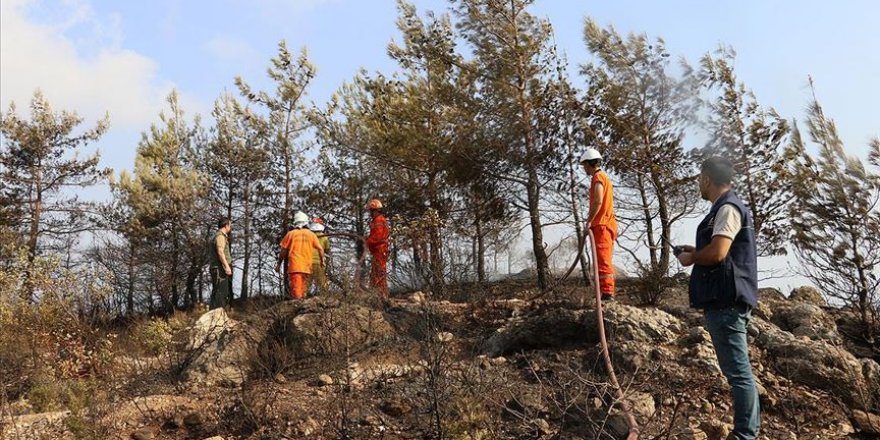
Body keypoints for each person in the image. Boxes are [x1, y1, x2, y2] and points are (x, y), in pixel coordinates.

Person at [676, 156, 760, 439]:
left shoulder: (727, 208)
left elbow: (718, 253)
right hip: (725, 300)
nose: (699, 184)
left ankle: (745, 435)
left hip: (726, 302)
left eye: (700, 178)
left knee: (738, 373)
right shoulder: (725, 209)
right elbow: (718, 248)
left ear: (707, 179)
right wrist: (695, 249)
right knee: (738, 372)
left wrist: (692, 258)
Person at [580, 148, 619, 301]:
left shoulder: (598, 178)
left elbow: (598, 201)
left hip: (602, 225)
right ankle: (604, 293)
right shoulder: (603, 177)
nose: (584, 168)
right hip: (605, 224)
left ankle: (607, 293)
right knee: (602, 259)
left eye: (584, 165)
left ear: (590, 164)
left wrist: (589, 220)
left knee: (603, 260)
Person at [276, 211, 325, 300]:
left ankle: (299, 309)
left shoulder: (290, 234)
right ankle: (303, 309)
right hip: (307, 267)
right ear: (306, 222)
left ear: (295, 222)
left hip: (295, 267)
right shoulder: (311, 235)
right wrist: (322, 261)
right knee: (303, 291)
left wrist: (278, 264)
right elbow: (321, 249)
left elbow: (283, 251)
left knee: (297, 294)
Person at [365, 199, 390, 297]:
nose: (370, 213)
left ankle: (380, 293)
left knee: (379, 272)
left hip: (380, 250)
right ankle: (376, 292)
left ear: (375, 210)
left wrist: (367, 241)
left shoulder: (379, 220)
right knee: (376, 272)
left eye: (371, 211)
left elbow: (378, 237)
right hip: (378, 250)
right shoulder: (377, 220)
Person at [208, 218, 233, 309]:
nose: (230, 227)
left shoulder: (217, 236)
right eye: (230, 225)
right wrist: (227, 267)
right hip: (219, 269)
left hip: (218, 268)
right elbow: (220, 252)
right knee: (221, 293)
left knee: (217, 293)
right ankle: (217, 318)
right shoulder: (220, 236)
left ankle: (213, 317)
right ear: (226, 226)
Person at [308, 217, 331, 295]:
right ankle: (325, 299)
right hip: (319, 263)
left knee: (306, 285)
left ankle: (301, 300)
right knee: (323, 284)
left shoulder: (308, 237)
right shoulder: (324, 237)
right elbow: (327, 250)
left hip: (307, 263)